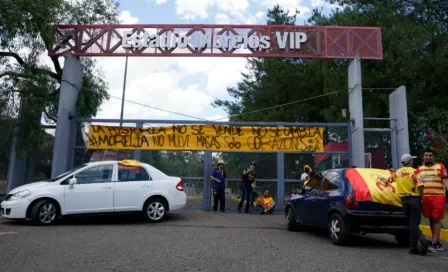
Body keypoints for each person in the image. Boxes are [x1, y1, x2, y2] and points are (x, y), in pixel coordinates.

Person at [388, 154, 431, 255]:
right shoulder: (415, 172)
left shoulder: (397, 172)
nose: (413, 161)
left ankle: (413, 248)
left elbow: (388, 180)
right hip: (414, 200)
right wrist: (421, 198)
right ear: (410, 162)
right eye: (412, 160)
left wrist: (382, 180)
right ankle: (423, 239)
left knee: (411, 224)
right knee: (414, 224)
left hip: (404, 201)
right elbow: (420, 187)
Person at [414, 150, 448, 252]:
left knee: (436, 219)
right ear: (423, 157)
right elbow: (412, 180)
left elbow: (446, 181)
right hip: (426, 198)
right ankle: (437, 242)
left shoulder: (440, 166)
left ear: (433, 158)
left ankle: (433, 243)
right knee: (431, 219)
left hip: (438, 196)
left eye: (430, 155)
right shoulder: (419, 169)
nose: (428, 157)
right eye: (426, 155)